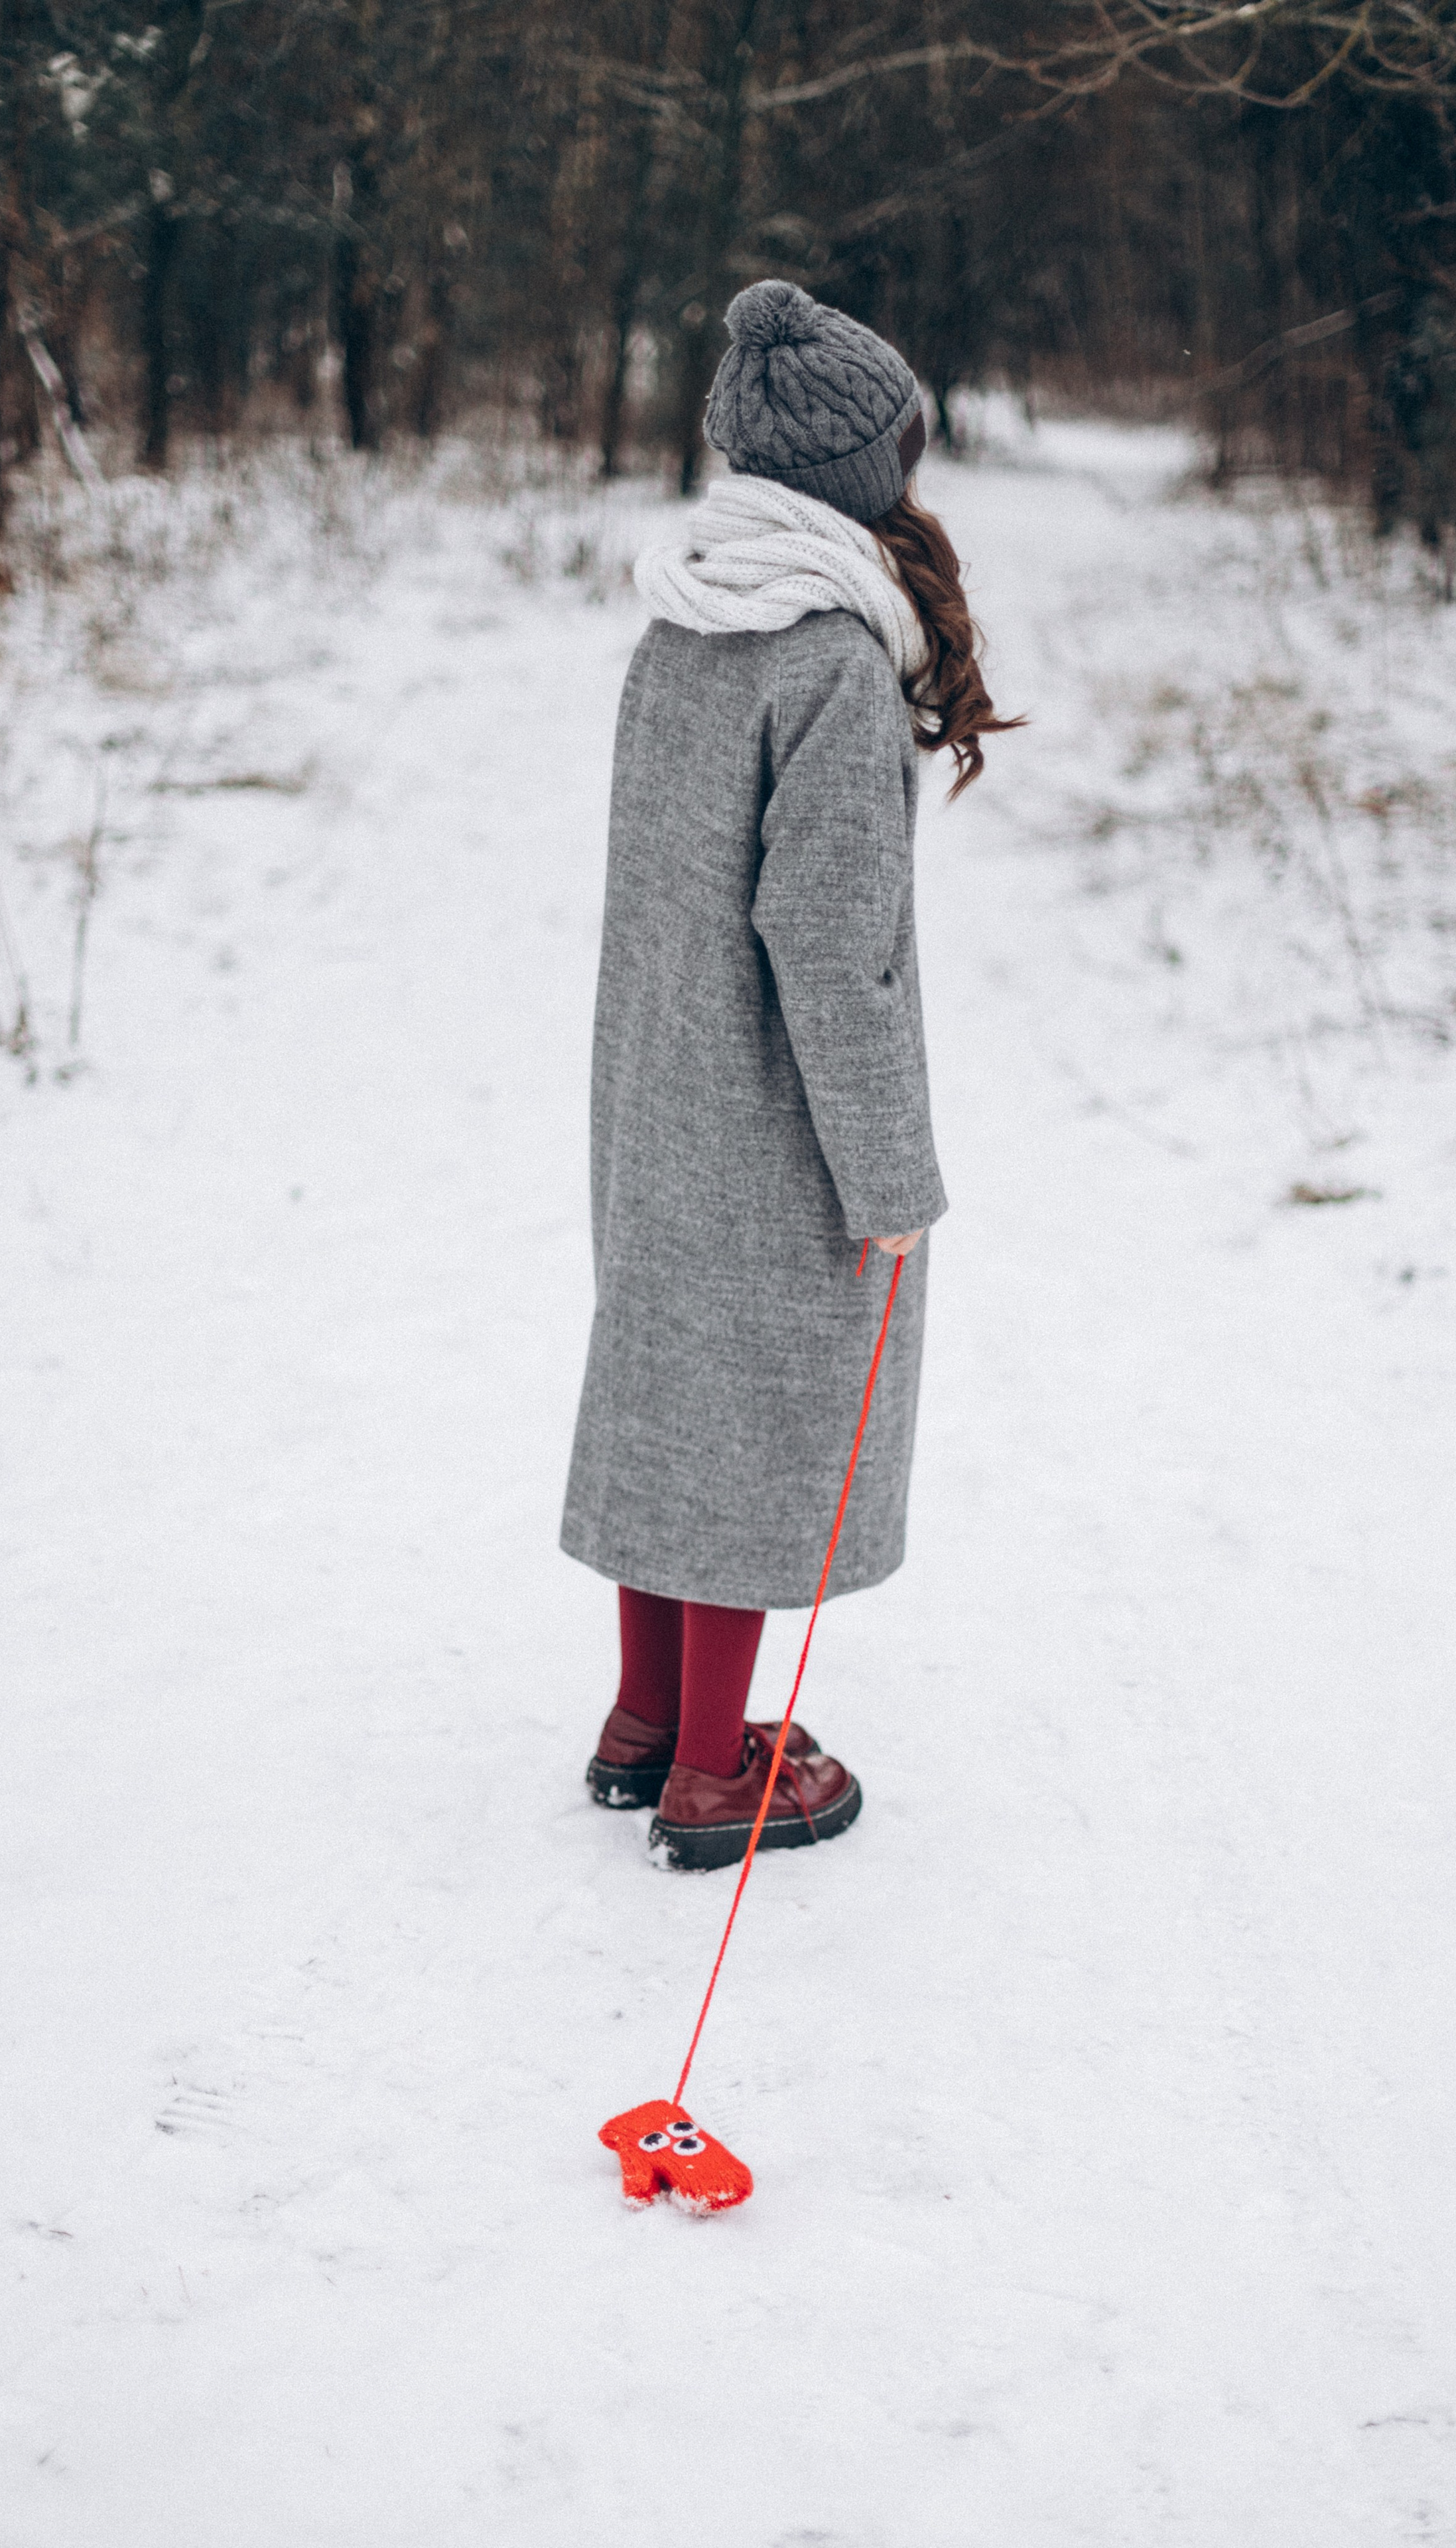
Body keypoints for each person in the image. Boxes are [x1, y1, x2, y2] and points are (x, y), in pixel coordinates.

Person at [561, 278, 1019, 1871]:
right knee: (753, 1417)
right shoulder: (823, 657)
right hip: (773, 1120)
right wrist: (887, 1178)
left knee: (670, 1388)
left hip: (655, 1094)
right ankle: (709, 1774)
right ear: (862, 471)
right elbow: (834, 950)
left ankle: (640, 1719)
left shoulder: (685, 617)